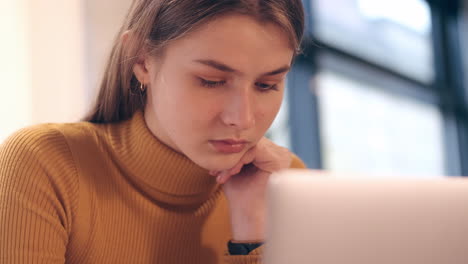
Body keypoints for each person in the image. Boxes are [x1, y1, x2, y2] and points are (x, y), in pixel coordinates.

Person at [0, 0, 306, 263]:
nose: (242, 118)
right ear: (141, 59)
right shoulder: (46, 165)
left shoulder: (285, 182)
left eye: (267, 85)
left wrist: (253, 227)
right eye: (211, 81)